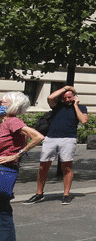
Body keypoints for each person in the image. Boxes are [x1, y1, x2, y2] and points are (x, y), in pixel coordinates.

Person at [24, 85, 88, 206]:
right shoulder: (58, 106)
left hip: (68, 139)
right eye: (65, 98)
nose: (67, 99)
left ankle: (66, 194)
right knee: (43, 166)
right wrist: (66, 88)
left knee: (66, 166)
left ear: (74, 97)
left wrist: (75, 105)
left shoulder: (81, 107)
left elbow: (83, 120)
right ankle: (39, 193)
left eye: (70, 97)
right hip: (51, 138)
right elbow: (50, 97)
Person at [0, 92, 44, 241]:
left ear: (13, 106)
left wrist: (17, 155)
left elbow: (38, 137)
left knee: (2, 212)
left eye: (2, 102)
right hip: (4, 170)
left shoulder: (13, 121)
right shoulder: (5, 122)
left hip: (4, 171)